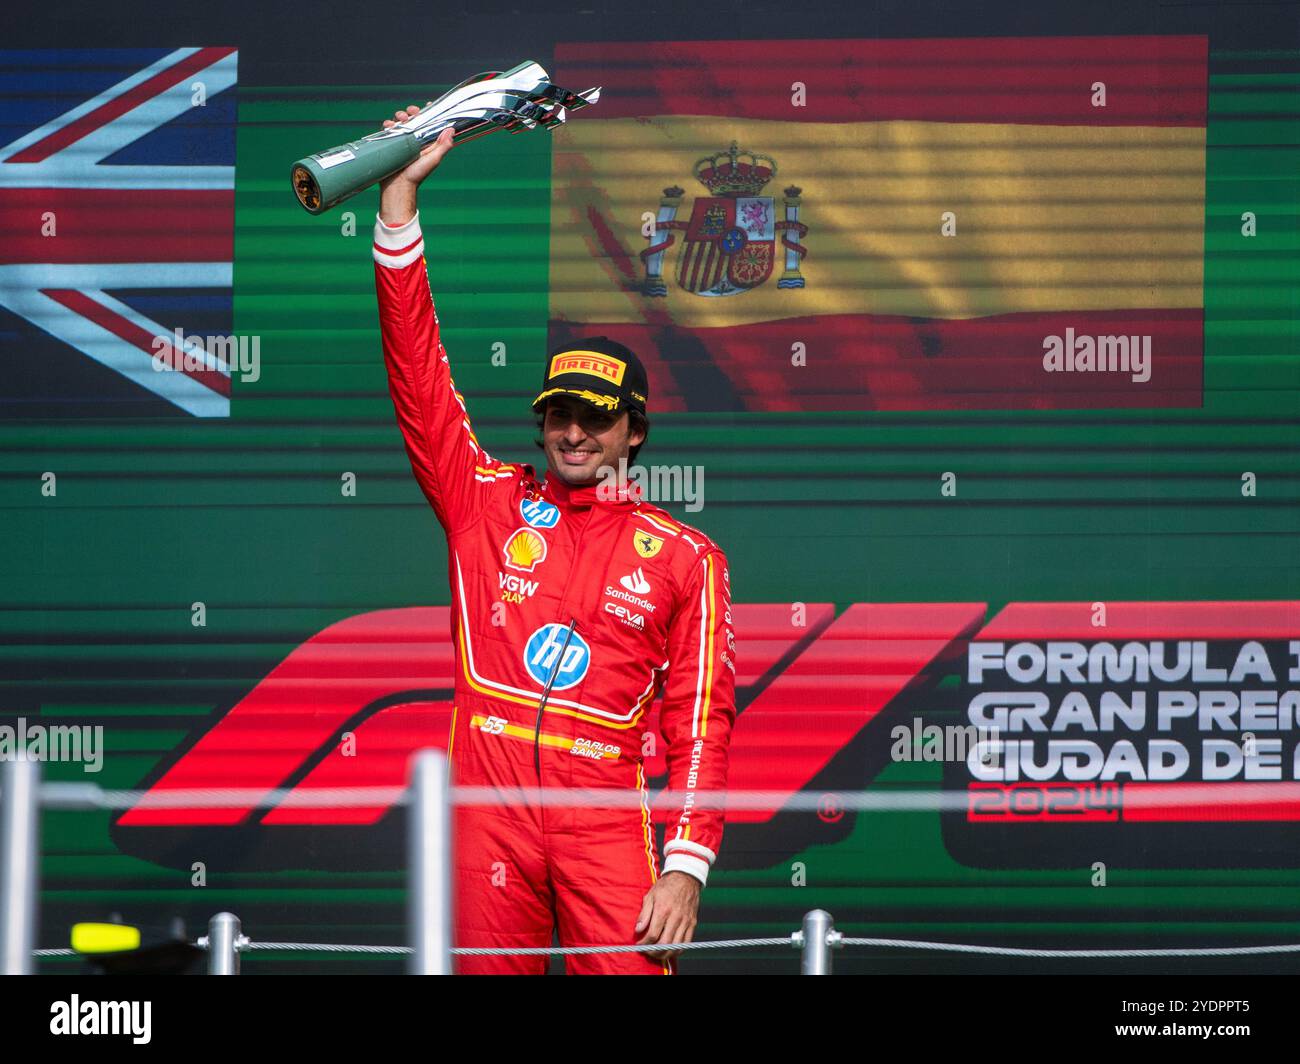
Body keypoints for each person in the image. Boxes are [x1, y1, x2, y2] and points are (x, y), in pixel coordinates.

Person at [373, 106, 736, 975]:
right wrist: (397, 210)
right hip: (487, 804)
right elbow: (421, 375)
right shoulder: (484, 501)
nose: (573, 434)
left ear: (634, 432)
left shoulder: (687, 559)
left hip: (604, 817)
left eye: (595, 420)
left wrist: (687, 865)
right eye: (558, 416)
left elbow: (699, 725)